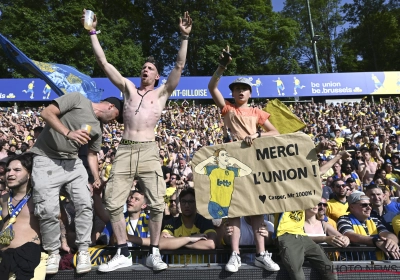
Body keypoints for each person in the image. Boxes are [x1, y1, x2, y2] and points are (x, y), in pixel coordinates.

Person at [83, 9, 192, 272]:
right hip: (125, 149)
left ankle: (154, 252)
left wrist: (185, 37)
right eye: (143, 68)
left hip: (149, 150)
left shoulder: (162, 94)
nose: (145, 70)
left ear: (157, 77)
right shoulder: (128, 89)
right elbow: (104, 63)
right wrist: (93, 33)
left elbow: (178, 66)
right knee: (112, 201)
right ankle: (123, 251)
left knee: (156, 202)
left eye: (151, 68)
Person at [30, 93, 123, 275]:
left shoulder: (97, 128)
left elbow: (92, 154)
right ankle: (53, 252)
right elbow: (46, 113)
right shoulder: (77, 99)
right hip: (46, 159)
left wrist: (96, 177)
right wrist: (68, 133)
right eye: (115, 118)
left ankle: (83, 251)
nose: (113, 123)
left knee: (85, 204)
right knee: (48, 210)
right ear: (111, 107)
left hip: (72, 162)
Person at [207, 46, 280, 273]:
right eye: (237, 88)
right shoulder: (227, 109)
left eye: (244, 89)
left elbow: (275, 132)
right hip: (231, 163)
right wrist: (223, 66)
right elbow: (211, 87)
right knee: (235, 211)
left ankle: (261, 254)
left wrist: (257, 134)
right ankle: (235, 255)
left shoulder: (258, 112)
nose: (240, 91)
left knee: (257, 211)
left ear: (250, 93)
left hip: (254, 164)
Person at [0, 154, 45, 279]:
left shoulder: (41, 199)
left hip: (28, 260)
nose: (10, 174)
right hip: (3, 261)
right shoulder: (3, 200)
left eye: (17, 170)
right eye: (8, 170)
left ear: (29, 174)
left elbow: (59, 221)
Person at [274, 210, 337, 280]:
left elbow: (315, 205)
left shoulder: (304, 201)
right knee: (297, 274)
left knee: (329, 267)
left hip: (303, 235)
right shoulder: (283, 200)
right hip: (286, 235)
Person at [159, 188, 217, 263]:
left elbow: (211, 244)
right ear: (179, 203)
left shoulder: (204, 221)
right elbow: (161, 243)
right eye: (183, 201)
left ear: (196, 203)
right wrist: (190, 238)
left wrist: (176, 240)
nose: (187, 205)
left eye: (191, 201)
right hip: (176, 271)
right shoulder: (173, 221)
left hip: (200, 270)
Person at [337, 192, 400, 260]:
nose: (369, 207)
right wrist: (375, 241)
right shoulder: (344, 219)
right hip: (354, 265)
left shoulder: (374, 220)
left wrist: (391, 241)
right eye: (364, 205)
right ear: (352, 206)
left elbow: (386, 233)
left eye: (370, 204)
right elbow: (350, 235)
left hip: (377, 264)